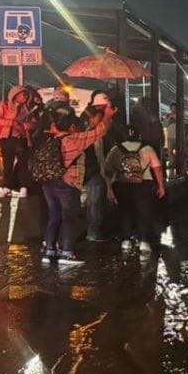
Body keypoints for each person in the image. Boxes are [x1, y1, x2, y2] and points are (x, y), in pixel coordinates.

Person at [32, 101, 117, 265]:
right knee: (69, 217)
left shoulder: (47, 140)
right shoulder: (74, 139)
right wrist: (107, 115)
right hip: (67, 183)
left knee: (54, 216)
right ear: (70, 126)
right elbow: (99, 131)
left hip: (48, 183)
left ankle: (49, 251)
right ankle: (67, 253)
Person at [105, 124, 167, 254]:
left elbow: (108, 171)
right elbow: (157, 168)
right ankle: (143, 241)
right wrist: (161, 186)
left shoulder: (115, 149)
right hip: (143, 184)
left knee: (125, 211)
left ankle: (126, 241)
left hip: (121, 185)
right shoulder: (147, 149)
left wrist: (109, 188)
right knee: (143, 212)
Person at [0, 85, 36, 198]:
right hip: (7, 138)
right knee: (7, 164)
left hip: (23, 139)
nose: (24, 97)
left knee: (23, 164)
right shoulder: (4, 106)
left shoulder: (28, 108)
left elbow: (34, 123)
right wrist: (11, 123)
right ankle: (6, 187)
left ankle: (24, 187)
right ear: (15, 95)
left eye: (26, 94)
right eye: (22, 94)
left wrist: (25, 125)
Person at [79, 105, 112, 242]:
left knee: (92, 204)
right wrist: (104, 173)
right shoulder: (94, 135)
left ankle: (92, 231)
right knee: (95, 204)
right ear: (92, 118)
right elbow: (99, 156)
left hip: (87, 172)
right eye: (100, 117)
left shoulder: (84, 132)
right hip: (94, 172)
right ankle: (93, 233)